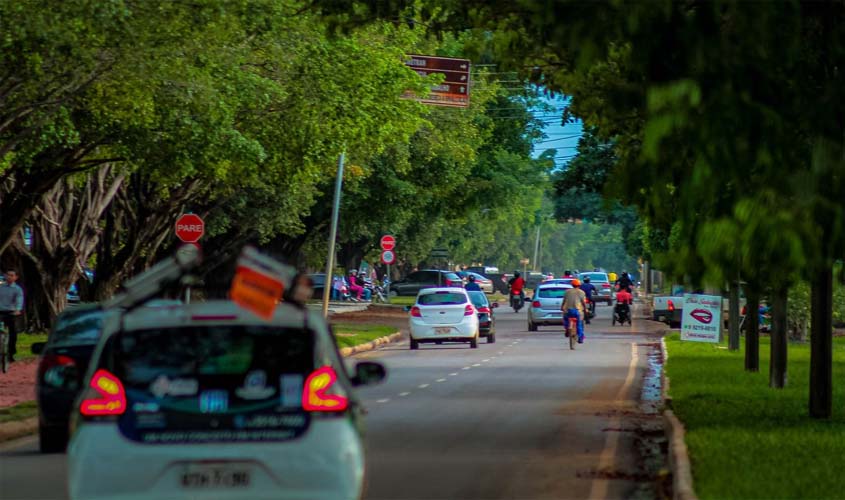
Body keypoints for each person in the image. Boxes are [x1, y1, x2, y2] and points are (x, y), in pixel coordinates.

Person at [0, 270, 24, 362]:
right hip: (0, 311)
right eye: (8, 275)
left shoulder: (17, 289)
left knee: (13, 333)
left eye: (12, 275)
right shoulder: (1, 287)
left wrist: (18, 309)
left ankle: (11, 353)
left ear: (16, 277)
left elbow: (19, 300)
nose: (9, 277)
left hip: (11, 312)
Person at [561, 278, 587, 343]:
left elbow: (564, 301)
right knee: (579, 324)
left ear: (572, 285)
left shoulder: (567, 292)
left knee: (565, 319)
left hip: (568, 311)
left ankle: (567, 328)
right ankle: (580, 338)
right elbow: (583, 302)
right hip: (577, 311)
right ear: (579, 285)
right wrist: (585, 309)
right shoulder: (581, 292)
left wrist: (562, 307)